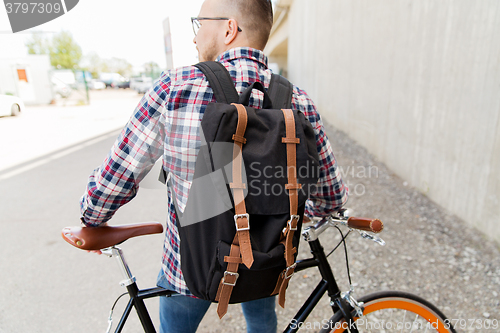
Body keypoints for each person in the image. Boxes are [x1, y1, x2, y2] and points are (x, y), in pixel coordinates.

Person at [79, 0, 348, 332]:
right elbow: (331, 195)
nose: (195, 37)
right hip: (265, 258)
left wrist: (91, 218)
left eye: (199, 23)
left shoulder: (175, 88)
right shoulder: (299, 101)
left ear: (228, 28)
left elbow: (119, 175)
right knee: (262, 319)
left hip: (190, 267)